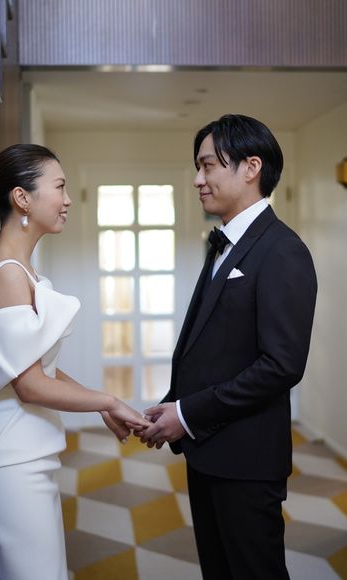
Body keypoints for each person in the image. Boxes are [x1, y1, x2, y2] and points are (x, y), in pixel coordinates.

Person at [134, 114, 317, 579]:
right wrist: (173, 404)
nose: (198, 180)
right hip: (209, 448)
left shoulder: (282, 250)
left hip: (246, 459)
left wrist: (188, 414)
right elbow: (213, 347)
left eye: (208, 166)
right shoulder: (225, 243)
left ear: (251, 167)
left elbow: (281, 365)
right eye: (198, 167)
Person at [0, 144, 148, 580]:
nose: (67, 200)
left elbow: (37, 368)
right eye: (60, 187)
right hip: (11, 457)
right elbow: (29, 385)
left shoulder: (19, 269)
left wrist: (101, 403)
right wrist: (107, 400)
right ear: (22, 198)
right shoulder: (7, 274)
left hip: (29, 452)